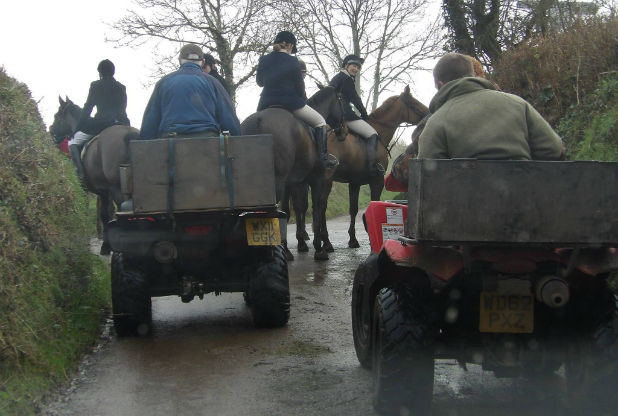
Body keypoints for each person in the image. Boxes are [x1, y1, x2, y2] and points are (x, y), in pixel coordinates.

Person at [418, 52, 564, 160]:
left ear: (440, 85)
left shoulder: (436, 122)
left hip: (465, 200)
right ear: (473, 76)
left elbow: (428, 176)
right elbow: (553, 149)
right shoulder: (518, 104)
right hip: (525, 198)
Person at [256, 31, 336, 170]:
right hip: (290, 103)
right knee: (320, 122)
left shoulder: (263, 59)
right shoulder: (293, 61)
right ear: (290, 45)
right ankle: (323, 160)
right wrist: (303, 99)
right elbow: (300, 88)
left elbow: (260, 83)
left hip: (265, 103)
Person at [141, 44, 240, 140]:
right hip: (208, 143)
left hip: (169, 143)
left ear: (179, 61)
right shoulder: (213, 82)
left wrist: (145, 146)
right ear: (203, 62)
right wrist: (238, 139)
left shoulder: (163, 83)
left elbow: (150, 121)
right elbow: (228, 118)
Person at [69, 59, 130, 183]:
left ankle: (80, 174)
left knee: (73, 143)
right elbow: (123, 110)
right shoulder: (121, 87)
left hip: (100, 123)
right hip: (118, 122)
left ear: (100, 72)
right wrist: (126, 124)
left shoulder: (95, 85)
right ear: (113, 72)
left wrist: (78, 129)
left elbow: (88, 108)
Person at [329, 54, 384, 175]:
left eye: (358, 68)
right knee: (373, 134)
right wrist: (365, 115)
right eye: (354, 66)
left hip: (333, 116)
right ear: (346, 65)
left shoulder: (337, 77)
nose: (356, 69)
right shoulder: (346, 79)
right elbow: (356, 100)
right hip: (346, 116)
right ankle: (371, 167)